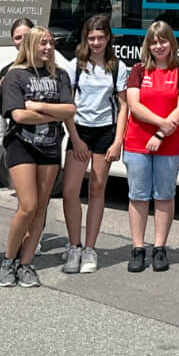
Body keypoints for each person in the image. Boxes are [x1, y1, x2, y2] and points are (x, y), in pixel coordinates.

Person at [0, 26, 74, 288]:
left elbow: (69, 109)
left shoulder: (60, 75)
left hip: (50, 146)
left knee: (41, 206)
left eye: (51, 43)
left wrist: (39, 106)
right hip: (21, 145)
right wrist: (54, 113)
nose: (49, 48)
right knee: (28, 205)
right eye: (43, 43)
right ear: (30, 45)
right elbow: (18, 115)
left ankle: (26, 263)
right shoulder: (14, 75)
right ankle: (9, 260)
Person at [62, 14, 128, 274]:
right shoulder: (75, 65)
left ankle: (90, 248)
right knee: (70, 190)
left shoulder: (117, 67)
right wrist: (75, 138)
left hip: (105, 132)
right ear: (85, 39)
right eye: (92, 38)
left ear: (108, 38)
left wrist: (118, 140)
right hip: (80, 130)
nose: (96, 42)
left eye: (101, 37)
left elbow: (124, 106)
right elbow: (67, 105)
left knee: (97, 188)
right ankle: (74, 245)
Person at [122, 21, 179, 273]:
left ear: (172, 43)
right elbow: (134, 105)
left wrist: (160, 133)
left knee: (164, 195)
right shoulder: (138, 70)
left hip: (170, 144)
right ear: (147, 45)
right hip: (137, 142)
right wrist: (162, 122)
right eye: (154, 42)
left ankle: (159, 248)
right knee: (138, 196)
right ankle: (138, 248)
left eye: (163, 41)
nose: (158, 46)